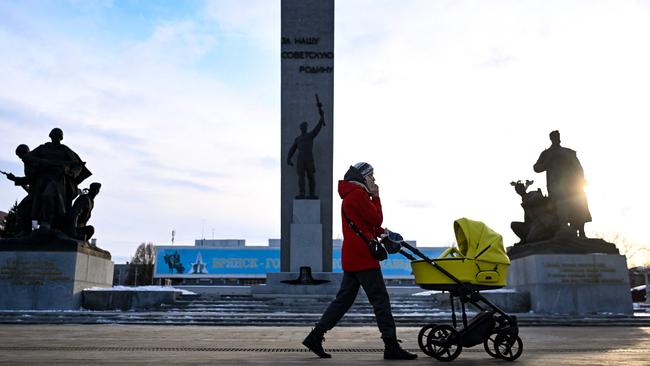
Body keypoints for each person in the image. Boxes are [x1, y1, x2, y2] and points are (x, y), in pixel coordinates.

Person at [302, 162, 417, 360]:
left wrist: (385, 234)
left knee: (343, 301)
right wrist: (377, 196)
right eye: (371, 176)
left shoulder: (351, 195)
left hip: (353, 256)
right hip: (363, 258)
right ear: (362, 177)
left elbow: (366, 224)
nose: (374, 180)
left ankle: (315, 336)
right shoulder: (358, 195)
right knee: (380, 300)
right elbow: (375, 219)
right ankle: (390, 346)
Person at [533, 130, 591, 237]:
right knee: (561, 202)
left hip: (572, 183)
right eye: (554, 136)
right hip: (555, 183)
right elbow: (536, 168)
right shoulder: (546, 153)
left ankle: (581, 230)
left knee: (579, 203)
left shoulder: (568, 152)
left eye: (558, 136)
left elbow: (578, 167)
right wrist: (547, 163)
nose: (557, 138)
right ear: (551, 138)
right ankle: (563, 226)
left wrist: (582, 179)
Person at [286, 117, 325, 199]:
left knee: (311, 176)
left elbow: (317, 129)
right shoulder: (298, 139)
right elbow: (292, 149)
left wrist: (321, 120)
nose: (305, 128)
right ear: (301, 128)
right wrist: (288, 159)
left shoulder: (310, 136)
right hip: (300, 159)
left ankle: (312, 194)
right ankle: (302, 193)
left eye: (306, 127)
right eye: (303, 127)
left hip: (309, 158)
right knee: (301, 177)